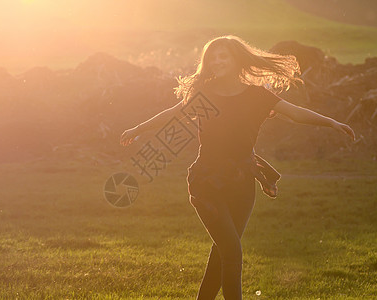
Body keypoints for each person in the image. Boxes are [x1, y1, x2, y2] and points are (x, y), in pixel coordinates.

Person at [120, 35, 355, 300]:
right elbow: (173, 113)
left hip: (243, 183)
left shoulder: (257, 96)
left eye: (224, 56)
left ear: (236, 60)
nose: (218, 62)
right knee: (232, 251)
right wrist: (139, 129)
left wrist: (332, 122)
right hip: (206, 182)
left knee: (222, 254)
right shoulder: (205, 94)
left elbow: (296, 112)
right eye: (213, 58)